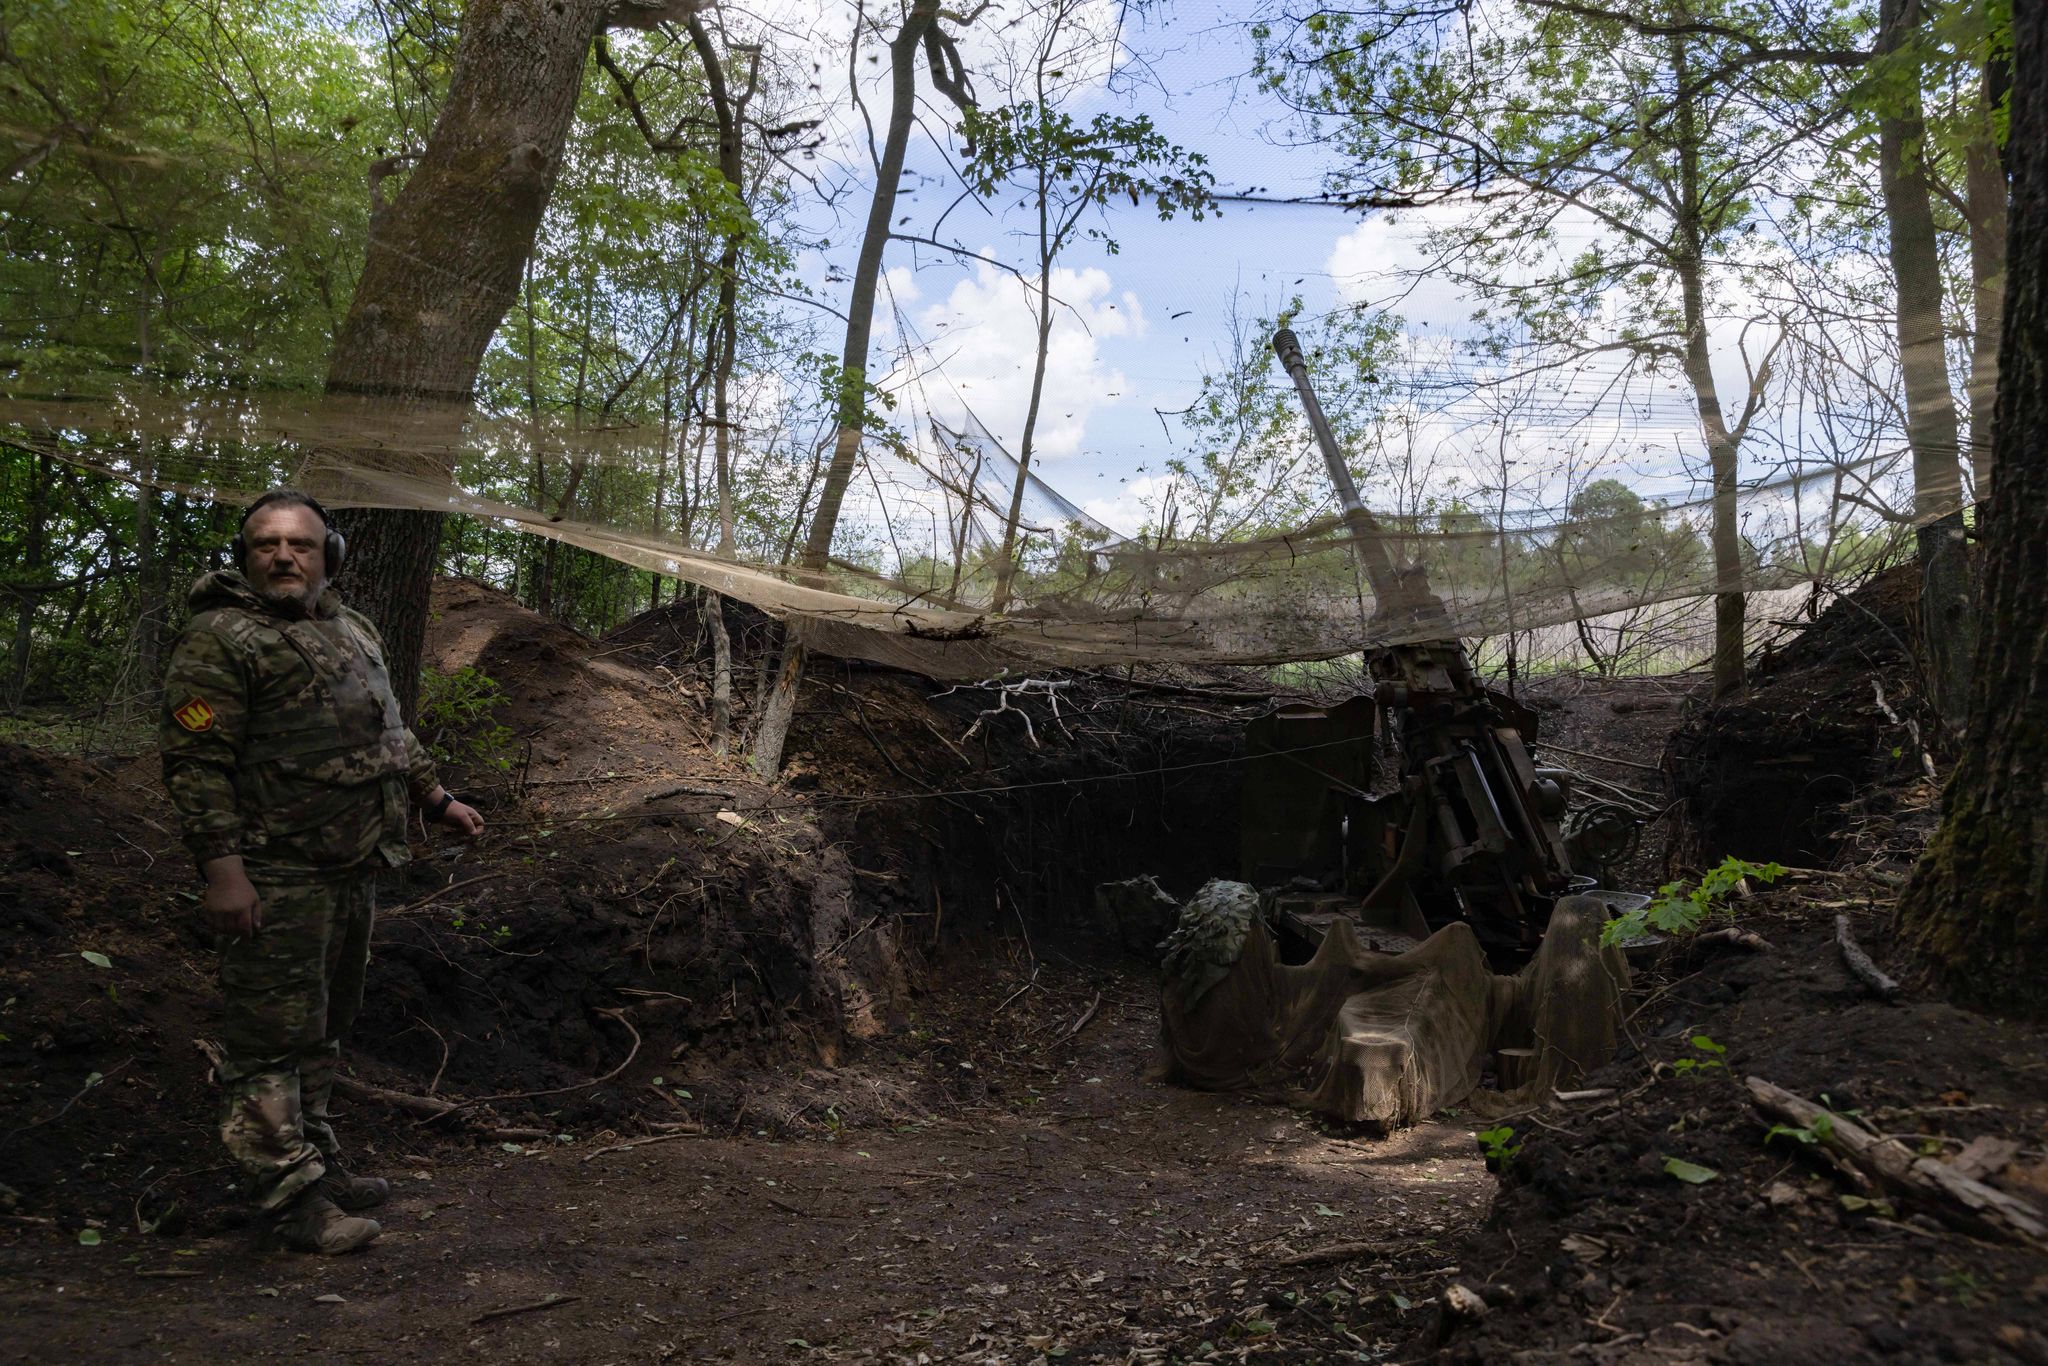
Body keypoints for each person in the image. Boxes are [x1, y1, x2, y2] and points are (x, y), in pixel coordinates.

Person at [160, 489, 483, 1254]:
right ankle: (289, 1198)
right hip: (275, 875)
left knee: (324, 1030)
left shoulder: (353, 629)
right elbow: (196, 766)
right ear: (244, 557)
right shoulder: (219, 641)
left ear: (326, 555)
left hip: (353, 866)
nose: (283, 556)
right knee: (269, 1039)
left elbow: (391, 731)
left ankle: (320, 1158)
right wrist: (224, 873)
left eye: (300, 544)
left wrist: (435, 799)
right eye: (266, 544)